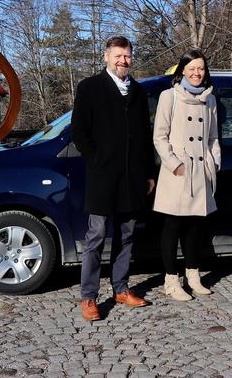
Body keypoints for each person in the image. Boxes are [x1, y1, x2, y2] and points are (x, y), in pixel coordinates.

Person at [71, 36, 155, 320]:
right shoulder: (90, 88)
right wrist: (97, 161)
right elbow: (80, 133)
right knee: (95, 236)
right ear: (106, 56)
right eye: (118, 56)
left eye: (127, 56)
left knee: (127, 235)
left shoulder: (139, 92)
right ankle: (89, 297)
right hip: (103, 177)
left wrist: (149, 173)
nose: (123, 61)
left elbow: (145, 136)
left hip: (133, 178)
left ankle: (121, 287)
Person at [153, 49, 221, 301]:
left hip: (201, 171)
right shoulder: (169, 97)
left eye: (200, 68)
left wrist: (213, 163)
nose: (196, 73)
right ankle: (171, 281)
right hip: (177, 173)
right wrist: (174, 164)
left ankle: (194, 276)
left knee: (195, 228)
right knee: (173, 228)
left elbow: (213, 136)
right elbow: (159, 136)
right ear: (182, 70)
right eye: (191, 68)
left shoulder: (210, 99)